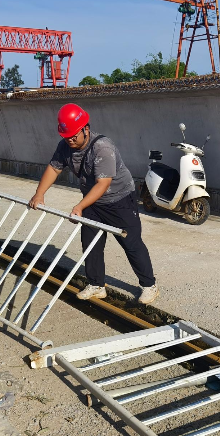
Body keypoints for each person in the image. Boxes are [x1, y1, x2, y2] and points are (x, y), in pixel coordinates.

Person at [28, 103, 159, 304]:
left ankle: (149, 285)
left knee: (131, 243)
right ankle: (97, 285)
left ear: (86, 129)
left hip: (120, 200)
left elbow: (103, 184)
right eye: (66, 136)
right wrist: (39, 194)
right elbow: (54, 169)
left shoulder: (102, 147)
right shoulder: (65, 146)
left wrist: (79, 206)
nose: (70, 139)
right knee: (91, 244)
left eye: (74, 135)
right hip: (93, 202)